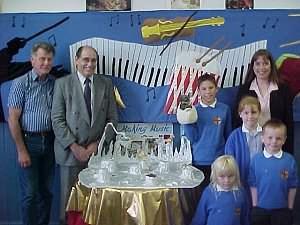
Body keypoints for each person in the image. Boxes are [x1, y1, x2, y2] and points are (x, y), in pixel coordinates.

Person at [51, 45, 118, 225]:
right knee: (69, 204)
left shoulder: (106, 84)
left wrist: (98, 144)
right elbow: (57, 120)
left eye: (93, 60)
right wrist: (74, 146)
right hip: (70, 154)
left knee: (96, 203)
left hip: (97, 155)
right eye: (85, 60)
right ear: (77, 60)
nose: (89, 64)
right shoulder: (62, 84)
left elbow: (112, 120)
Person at [7, 42, 56, 225]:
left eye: (49, 59)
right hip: (29, 142)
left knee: (47, 192)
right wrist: (21, 150)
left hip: (50, 142)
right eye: (42, 58)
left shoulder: (54, 84)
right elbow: (12, 118)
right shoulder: (20, 83)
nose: (45, 63)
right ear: (32, 60)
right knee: (30, 194)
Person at [234, 49, 294, 154]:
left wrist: (288, 152)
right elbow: (237, 119)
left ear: (271, 66)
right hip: (250, 143)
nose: (261, 67)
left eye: (265, 63)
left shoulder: (283, 89)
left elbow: (288, 121)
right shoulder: (244, 89)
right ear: (252, 66)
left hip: (275, 142)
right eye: (258, 64)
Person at [183, 73, 232, 188]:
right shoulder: (193, 111)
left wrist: (228, 157)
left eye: (211, 88)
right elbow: (192, 138)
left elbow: (228, 134)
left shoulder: (224, 109)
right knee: (200, 195)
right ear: (198, 92)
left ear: (217, 89)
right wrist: (186, 121)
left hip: (219, 160)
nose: (208, 92)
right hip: (198, 160)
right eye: (204, 89)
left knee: (219, 192)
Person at [248, 119, 298, 225]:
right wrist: (255, 205)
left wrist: (289, 208)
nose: (274, 141)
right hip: (260, 209)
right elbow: (253, 185)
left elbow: (292, 187)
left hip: (282, 210)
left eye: (278, 138)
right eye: (270, 138)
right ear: (262, 138)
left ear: (284, 140)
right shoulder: (256, 160)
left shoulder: (290, 160)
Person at [190, 155, 249, 225]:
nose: (227, 180)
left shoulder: (241, 192)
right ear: (215, 176)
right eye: (222, 176)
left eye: (230, 176)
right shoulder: (209, 193)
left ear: (236, 175)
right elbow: (199, 217)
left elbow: (245, 218)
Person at [225, 96, 262, 186]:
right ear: (240, 114)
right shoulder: (234, 137)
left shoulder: (266, 134)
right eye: (246, 113)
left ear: (259, 113)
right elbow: (229, 161)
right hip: (241, 179)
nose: (250, 116)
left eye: (253, 112)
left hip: (262, 178)